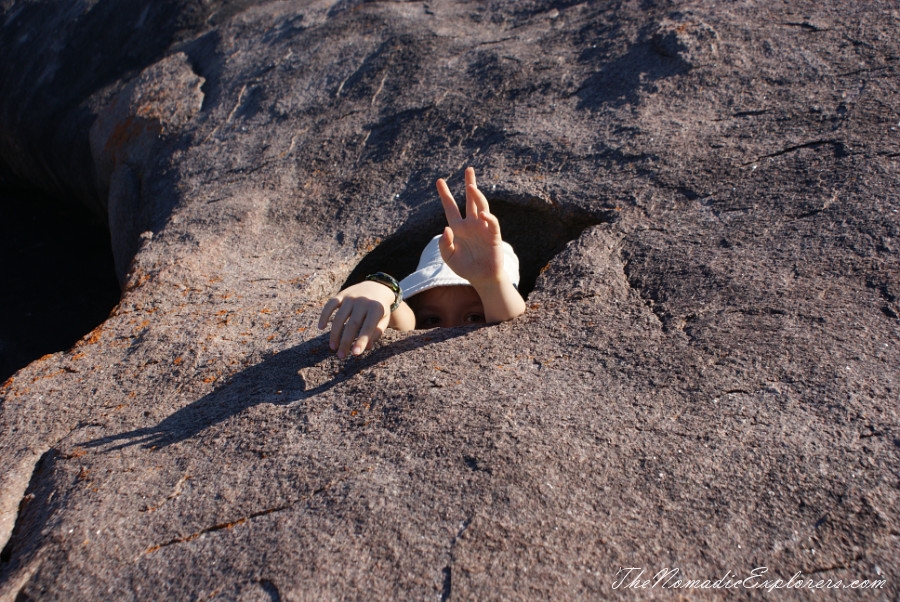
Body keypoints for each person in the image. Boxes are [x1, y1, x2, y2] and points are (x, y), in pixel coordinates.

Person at [318, 167, 526, 358]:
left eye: (473, 317)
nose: (448, 330)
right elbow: (405, 321)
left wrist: (490, 281)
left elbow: (509, 316)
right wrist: (382, 291)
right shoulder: (412, 320)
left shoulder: (500, 306)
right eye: (432, 320)